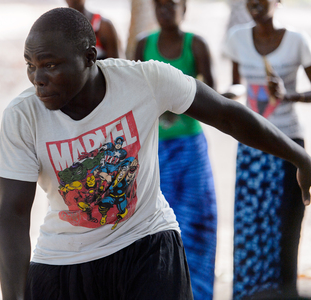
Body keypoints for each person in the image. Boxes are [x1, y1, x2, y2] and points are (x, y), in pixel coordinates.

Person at [0, 7, 311, 300]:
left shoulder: (144, 81)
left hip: (147, 244)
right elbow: (13, 213)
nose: (38, 78)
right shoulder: (23, 116)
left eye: (50, 65)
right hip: (64, 260)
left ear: (90, 56)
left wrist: (300, 156)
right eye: (30, 65)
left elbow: (228, 115)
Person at [222, 0, 311, 298]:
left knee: (286, 230)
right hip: (252, 145)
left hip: (288, 145)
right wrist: (228, 94)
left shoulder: (297, 41)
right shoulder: (237, 38)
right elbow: (237, 85)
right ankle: (252, 292)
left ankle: (286, 292)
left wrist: (290, 95)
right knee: (250, 228)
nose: (255, 4)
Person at [134, 0, 217, 299]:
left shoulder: (196, 45)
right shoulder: (144, 45)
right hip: (156, 151)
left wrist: (178, 109)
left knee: (198, 223)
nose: (165, 11)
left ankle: (201, 293)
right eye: (159, 6)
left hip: (191, 149)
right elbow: (134, 96)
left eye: (171, 5)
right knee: (160, 226)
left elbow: (213, 97)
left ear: (184, 8)